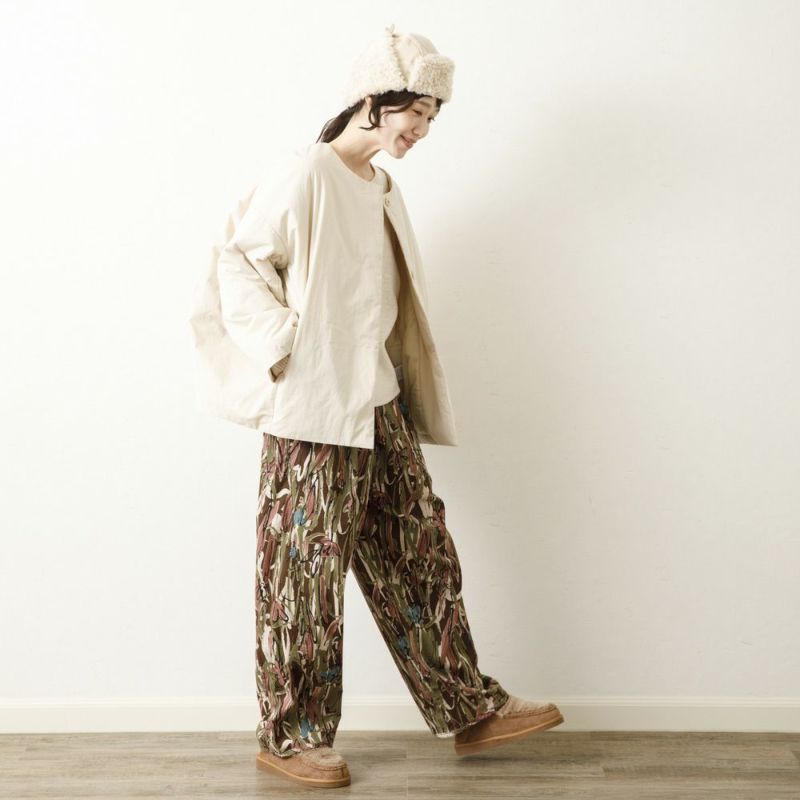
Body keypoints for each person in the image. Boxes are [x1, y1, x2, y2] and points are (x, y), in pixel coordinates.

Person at [189, 23, 564, 790]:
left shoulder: (382, 188)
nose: (421, 128)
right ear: (372, 100)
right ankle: (291, 737)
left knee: (418, 552)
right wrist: (289, 348)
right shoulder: (308, 174)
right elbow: (237, 264)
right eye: (414, 112)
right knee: (304, 575)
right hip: (315, 408)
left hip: (377, 401)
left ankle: (468, 707)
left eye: (431, 116)